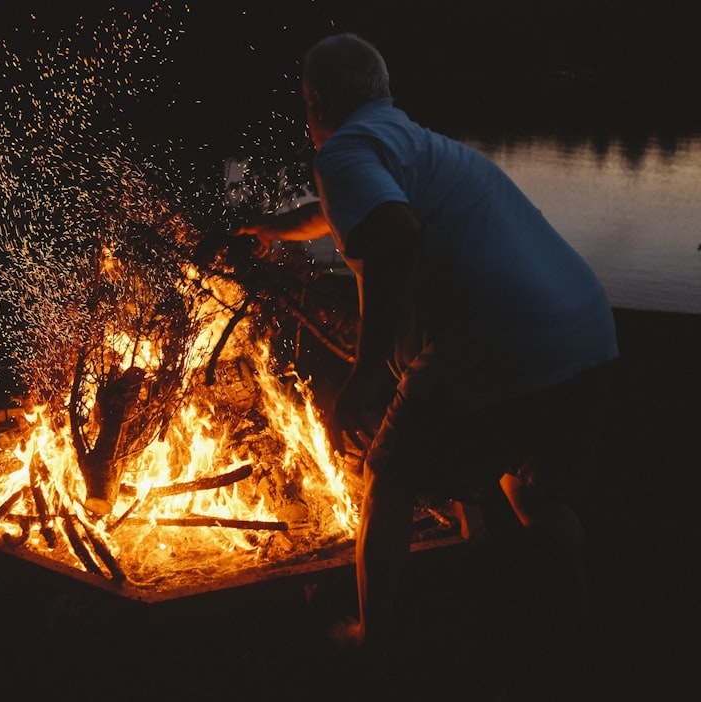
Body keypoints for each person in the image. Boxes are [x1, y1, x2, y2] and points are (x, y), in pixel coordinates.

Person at [238, 34, 618, 692]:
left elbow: (394, 233)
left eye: (307, 105)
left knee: (387, 477)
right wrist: (280, 228)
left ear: (317, 101)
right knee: (533, 491)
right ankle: (574, 631)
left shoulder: (346, 152)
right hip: (585, 333)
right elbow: (363, 211)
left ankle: (372, 650)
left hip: (497, 344)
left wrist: (366, 368)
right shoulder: (414, 143)